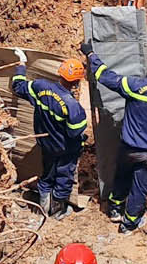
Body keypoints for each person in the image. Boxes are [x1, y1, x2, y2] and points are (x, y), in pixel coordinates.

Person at [83, 46, 147, 232]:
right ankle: (128, 225)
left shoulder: (134, 85)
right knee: (139, 189)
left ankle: (114, 210)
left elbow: (105, 76)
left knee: (121, 178)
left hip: (129, 149)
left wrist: (90, 54)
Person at [11, 52, 89, 217]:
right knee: (63, 177)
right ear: (76, 81)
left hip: (45, 143)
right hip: (64, 149)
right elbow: (75, 133)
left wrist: (21, 66)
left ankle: (43, 206)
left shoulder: (40, 87)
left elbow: (18, 87)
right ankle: (57, 210)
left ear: (60, 73)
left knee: (47, 173)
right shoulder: (73, 107)